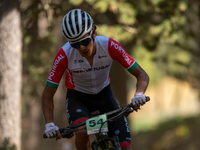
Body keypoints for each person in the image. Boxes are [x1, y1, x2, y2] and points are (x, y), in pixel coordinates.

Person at [42, 9, 149, 150]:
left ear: (93, 33)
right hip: (79, 99)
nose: (81, 47)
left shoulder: (109, 46)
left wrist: (139, 93)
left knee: (125, 146)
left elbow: (141, 74)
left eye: (85, 41)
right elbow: (48, 93)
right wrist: (49, 123)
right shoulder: (64, 55)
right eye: (75, 44)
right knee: (81, 132)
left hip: (105, 96)